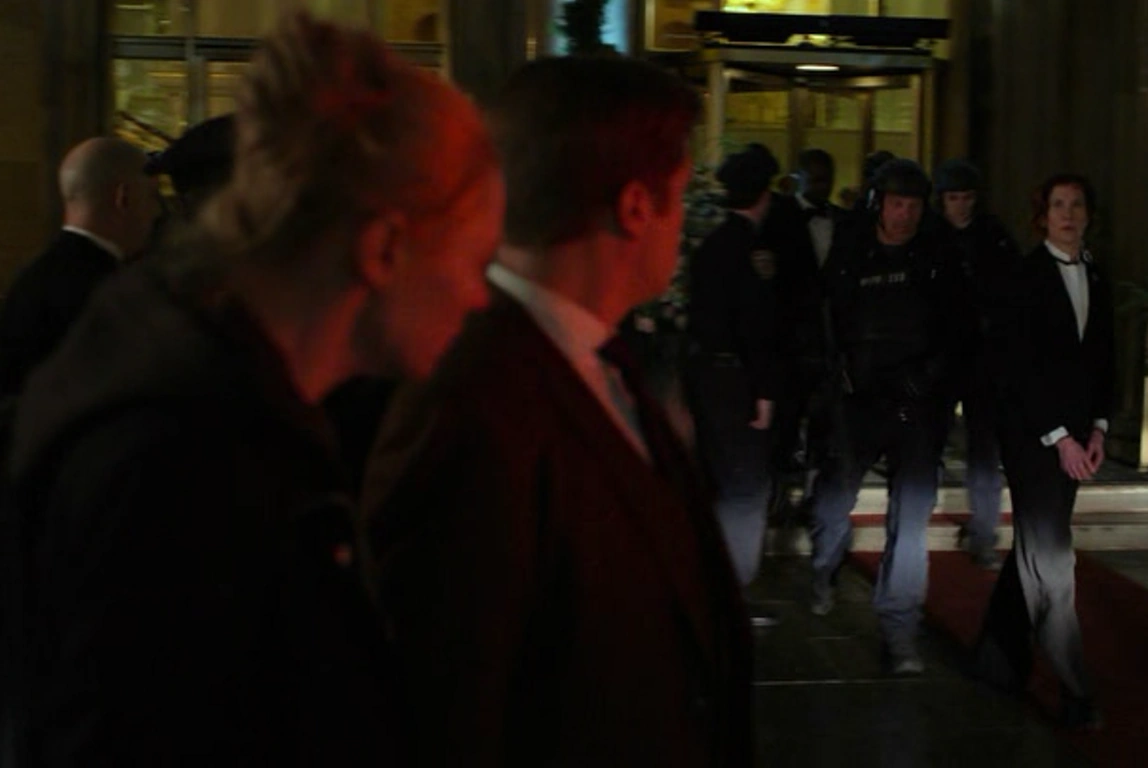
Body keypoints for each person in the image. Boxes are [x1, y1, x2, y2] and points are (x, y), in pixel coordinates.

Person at [0, 12, 503, 765]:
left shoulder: (219, 398)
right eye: (472, 258)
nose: (479, 296)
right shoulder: (184, 462)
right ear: (383, 248)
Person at [359, 57, 752, 766]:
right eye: (679, 194)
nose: (683, 228)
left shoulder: (594, 355)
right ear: (636, 208)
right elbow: (442, 702)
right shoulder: (473, 400)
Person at [973, 173, 1114, 730]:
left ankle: (996, 659)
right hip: (1035, 440)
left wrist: (1098, 428)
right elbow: (1016, 368)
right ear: (1042, 216)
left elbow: (1105, 357)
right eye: (1058, 205)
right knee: (1053, 563)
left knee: (1034, 552)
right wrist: (1060, 437)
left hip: (1079, 438)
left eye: (1077, 204)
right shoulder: (1023, 276)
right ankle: (1076, 689)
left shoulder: (1097, 274)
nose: (1069, 213)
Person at [812, 159, 959, 676]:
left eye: (913, 206)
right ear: (879, 203)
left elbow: (959, 328)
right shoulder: (852, 249)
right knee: (834, 499)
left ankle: (900, 631)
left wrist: (932, 377)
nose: (904, 215)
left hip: (917, 401)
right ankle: (825, 567)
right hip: (858, 398)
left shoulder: (938, 253)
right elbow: (825, 315)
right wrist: (835, 374)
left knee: (911, 519)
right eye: (897, 204)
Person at [686, 147, 781, 622]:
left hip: (704, 374)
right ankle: (732, 595)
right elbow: (756, 327)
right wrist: (765, 391)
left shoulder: (709, 245)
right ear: (763, 196)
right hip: (737, 379)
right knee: (745, 490)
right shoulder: (750, 250)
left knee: (717, 481)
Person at [0, 137, 160, 397]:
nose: (156, 211)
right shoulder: (109, 291)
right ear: (124, 198)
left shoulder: (33, 276)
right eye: (152, 196)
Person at [933, 158, 1022, 568]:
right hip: (940, 353)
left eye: (966, 197)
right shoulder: (930, 236)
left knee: (984, 447)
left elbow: (1013, 290)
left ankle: (984, 534)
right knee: (929, 440)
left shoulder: (992, 234)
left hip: (984, 355)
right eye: (954, 198)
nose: (961, 205)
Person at [761, 149, 844, 519]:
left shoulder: (842, 221)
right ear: (800, 179)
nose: (822, 187)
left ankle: (814, 495)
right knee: (786, 422)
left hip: (829, 340)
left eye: (827, 179)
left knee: (824, 425)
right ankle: (778, 497)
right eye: (815, 179)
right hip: (790, 340)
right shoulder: (778, 217)